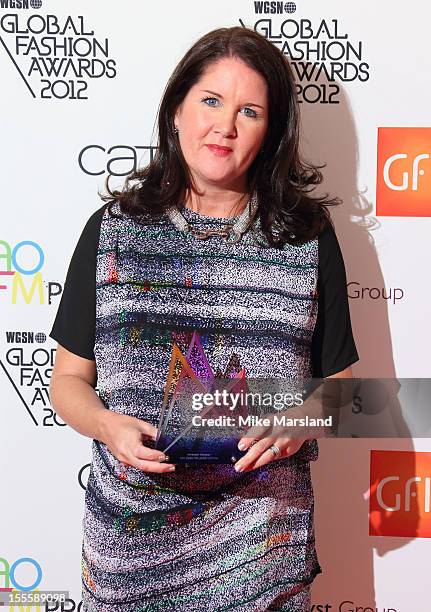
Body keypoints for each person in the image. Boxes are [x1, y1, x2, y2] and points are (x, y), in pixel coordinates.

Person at [49, 26, 358, 612]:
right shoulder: (112, 232)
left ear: (270, 134)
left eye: (250, 111)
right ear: (176, 111)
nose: (226, 126)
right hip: (129, 553)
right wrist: (107, 427)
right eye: (211, 101)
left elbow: (343, 391)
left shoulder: (306, 238)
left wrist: (300, 420)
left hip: (261, 553)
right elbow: (67, 381)